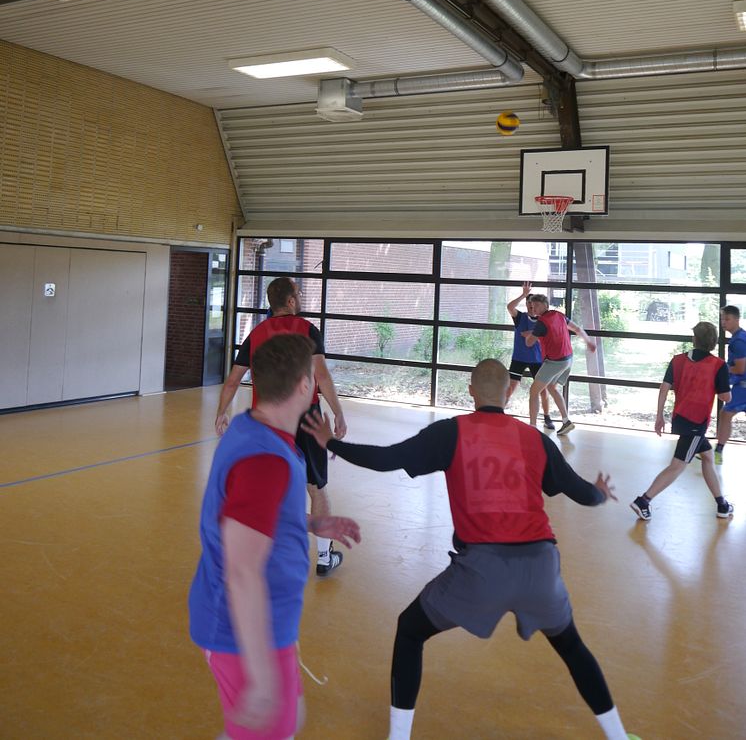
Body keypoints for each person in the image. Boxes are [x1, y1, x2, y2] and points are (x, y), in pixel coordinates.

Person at [303, 359, 639, 740]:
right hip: (540, 567)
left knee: (411, 631)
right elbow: (583, 494)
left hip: (482, 570)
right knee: (572, 646)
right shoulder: (536, 440)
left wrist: (331, 443)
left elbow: (388, 459)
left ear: (470, 391)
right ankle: (619, 736)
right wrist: (600, 492)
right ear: (510, 392)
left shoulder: (451, 433)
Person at [189, 333, 361, 740]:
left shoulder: (257, 429)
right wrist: (260, 672)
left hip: (271, 620)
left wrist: (308, 523)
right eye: (315, 379)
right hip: (238, 628)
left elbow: (249, 511)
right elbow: (243, 570)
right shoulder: (266, 459)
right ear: (305, 386)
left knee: (286, 722)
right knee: (272, 729)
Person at [215, 276, 348, 576]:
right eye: (298, 294)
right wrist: (338, 412)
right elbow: (322, 377)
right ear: (290, 301)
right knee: (316, 487)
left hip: (268, 422)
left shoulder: (256, 334)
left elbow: (234, 380)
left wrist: (222, 411)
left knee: (268, 487)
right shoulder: (308, 330)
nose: (300, 298)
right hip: (307, 417)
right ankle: (325, 557)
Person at [630, 321, 734, 522]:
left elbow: (664, 388)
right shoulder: (718, 365)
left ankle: (722, 504)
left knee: (707, 457)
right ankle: (644, 501)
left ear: (694, 339)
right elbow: (725, 398)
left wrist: (659, 416)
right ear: (714, 342)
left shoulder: (677, 360)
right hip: (696, 422)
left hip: (680, 418)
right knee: (677, 466)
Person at [522, 293, 596, 435]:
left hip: (554, 362)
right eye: (532, 306)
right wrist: (588, 342)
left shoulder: (541, 322)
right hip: (567, 359)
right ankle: (566, 421)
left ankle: (532, 428)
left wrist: (530, 335)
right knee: (551, 387)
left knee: (533, 391)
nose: (533, 308)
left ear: (545, 305)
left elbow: (528, 343)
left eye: (536, 305)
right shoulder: (559, 315)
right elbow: (578, 330)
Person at [506, 281, 555, 431]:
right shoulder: (519, 317)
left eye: (533, 304)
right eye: (529, 304)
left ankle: (547, 417)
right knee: (511, 387)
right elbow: (510, 307)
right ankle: (498, 412)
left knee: (543, 390)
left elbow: (550, 336)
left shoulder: (543, 319)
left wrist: (533, 335)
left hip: (537, 360)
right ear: (526, 305)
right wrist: (523, 294)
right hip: (519, 358)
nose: (531, 307)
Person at [714, 305, 746, 465]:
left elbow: (740, 368)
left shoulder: (738, 342)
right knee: (725, 414)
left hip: (743, 388)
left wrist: (725, 368)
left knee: (725, 415)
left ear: (736, 319)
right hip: (740, 386)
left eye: (727, 319)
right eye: (722, 319)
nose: (723, 322)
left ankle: (718, 452)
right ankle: (718, 451)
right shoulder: (740, 337)